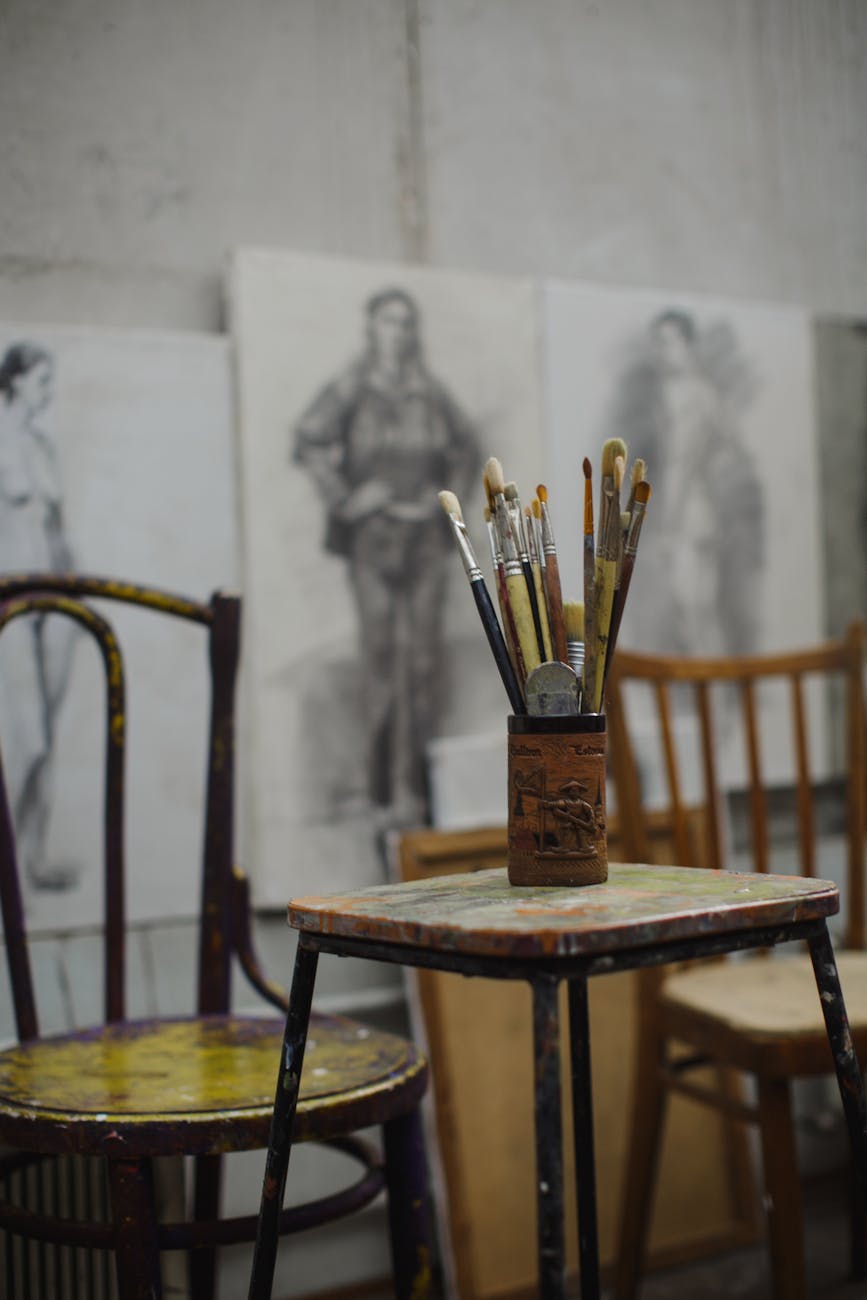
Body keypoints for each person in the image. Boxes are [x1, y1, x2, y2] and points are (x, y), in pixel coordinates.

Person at [293, 288, 480, 829]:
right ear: (371, 329)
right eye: (387, 323)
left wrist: (446, 500)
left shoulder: (429, 390)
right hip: (372, 542)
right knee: (380, 662)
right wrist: (346, 500)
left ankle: (422, 793)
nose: (397, 333)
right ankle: (378, 793)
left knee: (423, 663)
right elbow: (307, 441)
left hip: (424, 540)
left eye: (405, 323)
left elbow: (466, 448)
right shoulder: (352, 386)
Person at [612, 309, 764, 659]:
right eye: (656, 343)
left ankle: (715, 700)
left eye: (667, 342)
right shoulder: (683, 393)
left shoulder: (692, 396)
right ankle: (713, 700)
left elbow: (685, 462)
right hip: (694, 514)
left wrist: (669, 526)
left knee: (695, 611)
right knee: (691, 611)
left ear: (687, 346)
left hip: (691, 518)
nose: (660, 351)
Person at [0, 342, 78, 888]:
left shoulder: (42, 446)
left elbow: (57, 526)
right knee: (25, 739)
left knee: (47, 734)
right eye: (42, 380)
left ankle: (31, 860)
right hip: (11, 602)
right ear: (18, 379)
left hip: (54, 599)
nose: (48, 391)